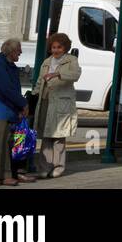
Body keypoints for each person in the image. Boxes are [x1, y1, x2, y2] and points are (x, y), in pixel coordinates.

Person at [0, 38, 32, 186]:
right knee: (2, 144)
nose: (21, 52)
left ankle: (17, 172)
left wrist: (19, 107)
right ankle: (3, 176)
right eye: (18, 50)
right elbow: (7, 89)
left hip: (9, 108)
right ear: (11, 51)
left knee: (17, 141)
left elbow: (13, 90)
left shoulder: (11, 66)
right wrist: (23, 104)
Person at [33, 32, 82, 178]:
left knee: (59, 137)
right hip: (46, 102)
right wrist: (34, 95)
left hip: (62, 103)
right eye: (53, 47)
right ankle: (44, 167)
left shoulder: (71, 60)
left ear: (65, 47)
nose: (56, 50)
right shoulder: (47, 62)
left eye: (59, 47)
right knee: (46, 136)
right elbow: (40, 81)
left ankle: (58, 167)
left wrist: (57, 74)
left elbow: (76, 75)